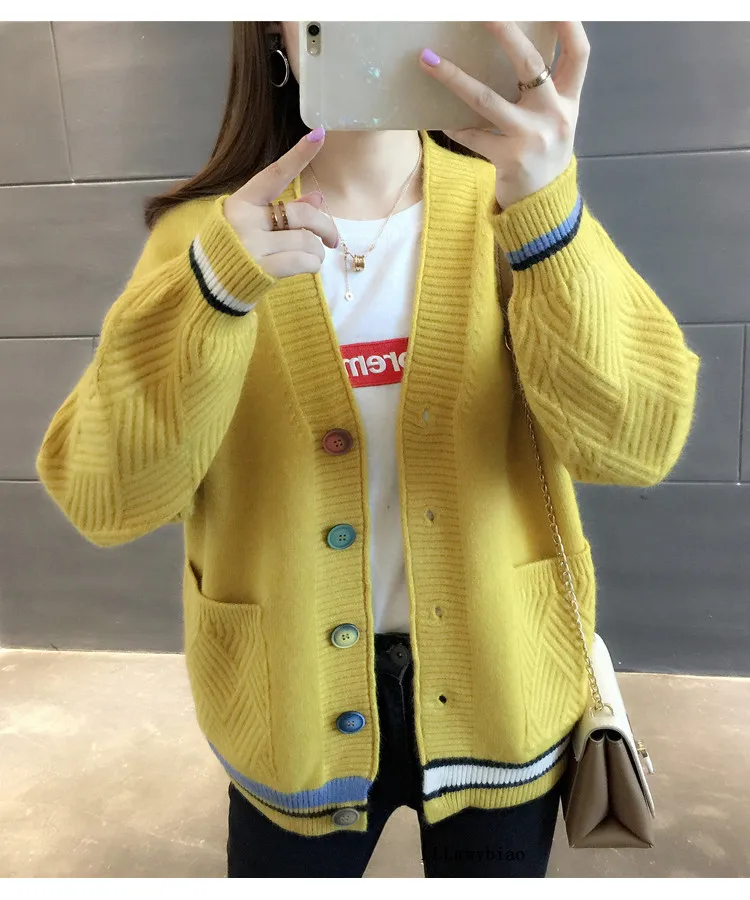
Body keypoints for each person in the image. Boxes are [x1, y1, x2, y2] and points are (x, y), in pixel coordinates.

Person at [36, 21, 700, 877]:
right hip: (287, 705)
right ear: (272, 32)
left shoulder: (517, 204)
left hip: (502, 685)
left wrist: (548, 216)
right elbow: (106, 500)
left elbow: (635, 446)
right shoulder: (205, 241)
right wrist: (212, 294)